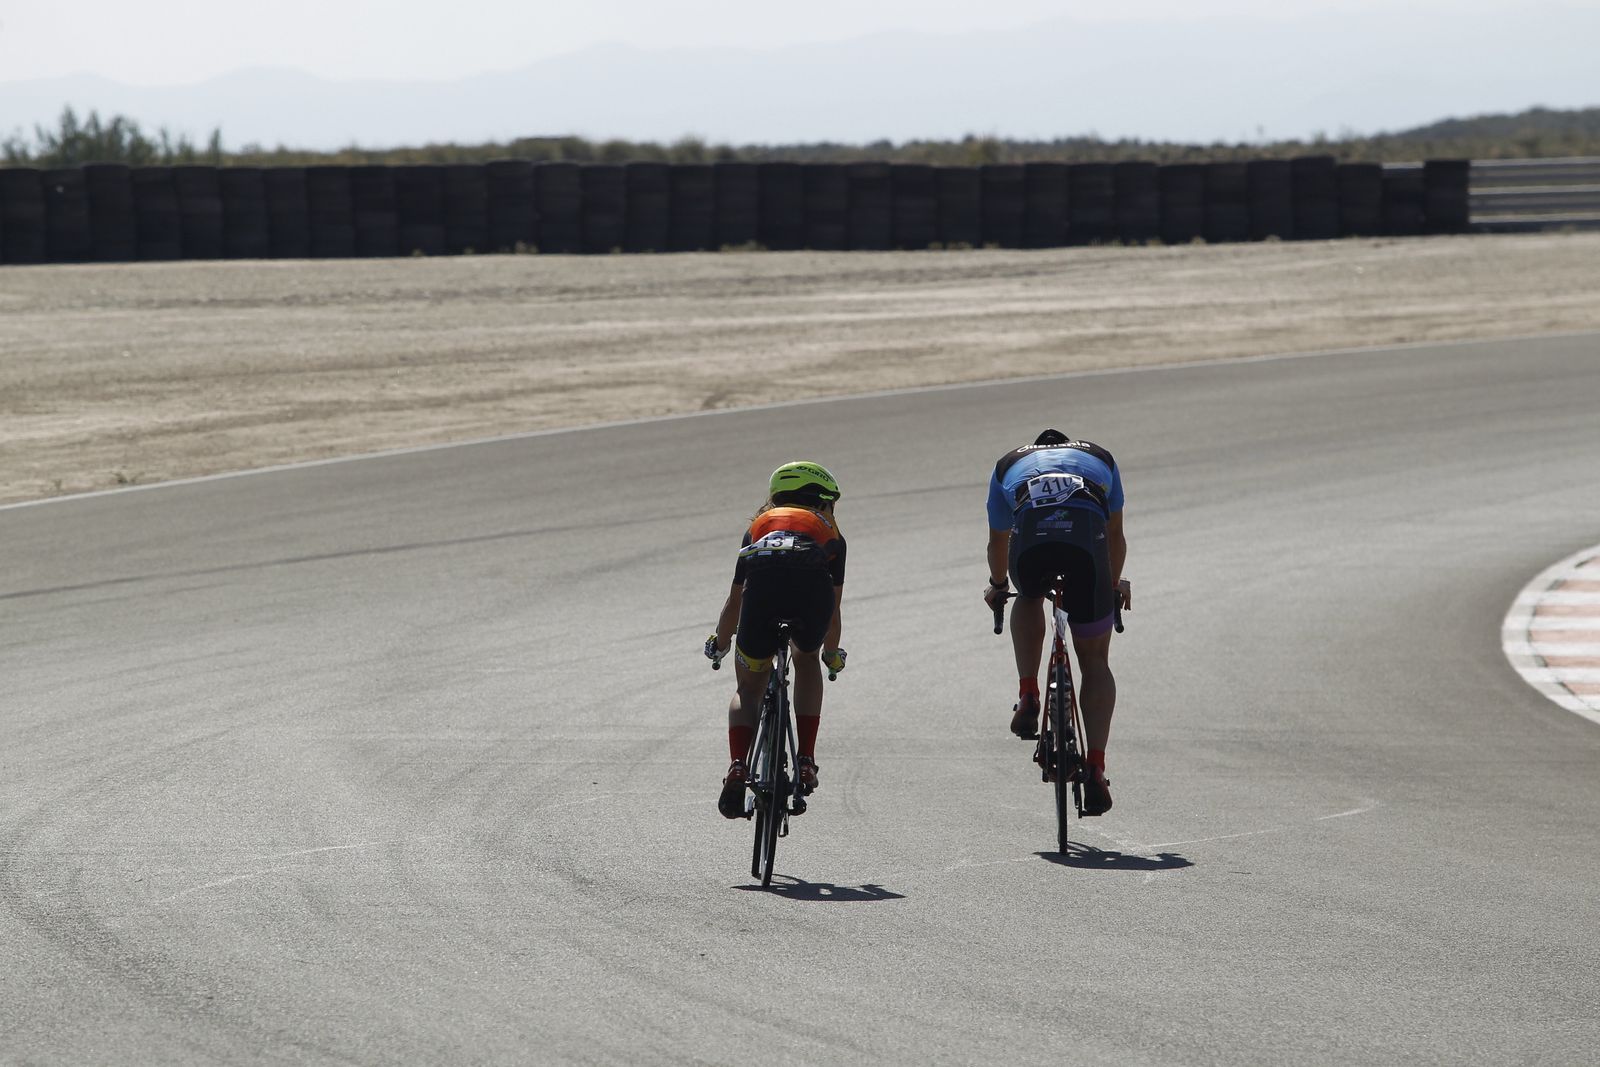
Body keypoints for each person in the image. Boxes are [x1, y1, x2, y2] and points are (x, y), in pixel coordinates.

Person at [983, 429, 1129, 816]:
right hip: (1086, 538)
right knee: (1095, 662)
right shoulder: (1101, 457)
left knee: (1028, 594)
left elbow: (998, 541)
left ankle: (1029, 692)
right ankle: (1095, 767)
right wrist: (1113, 586)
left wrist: (998, 586)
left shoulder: (1008, 462)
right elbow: (1115, 533)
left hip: (1032, 537)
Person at [705, 462, 848, 819]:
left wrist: (721, 643)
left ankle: (738, 765)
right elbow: (833, 612)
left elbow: (735, 600)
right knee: (805, 659)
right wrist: (831, 654)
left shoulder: (758, 527)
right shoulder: (831, 532)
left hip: (762, 598)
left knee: (748, 689)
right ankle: (805, 761)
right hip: (810, 596)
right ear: (822, 500)